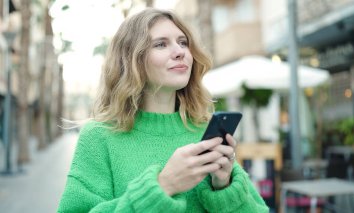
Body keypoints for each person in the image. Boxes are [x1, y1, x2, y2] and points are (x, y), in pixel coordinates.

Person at [57, 8, 268, 213]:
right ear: (132, 60)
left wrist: (224, 187)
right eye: (161, 44)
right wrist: (164, 186)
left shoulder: (203, 131)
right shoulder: (99, 136)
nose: (180, 52)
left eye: (183, 42)